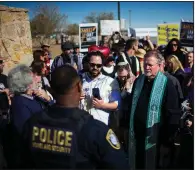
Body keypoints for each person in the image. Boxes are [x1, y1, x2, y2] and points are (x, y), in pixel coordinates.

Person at [19, 64, 129, 169]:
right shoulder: (95, 130)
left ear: (51, 90)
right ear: (79, 86)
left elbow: (22, 161)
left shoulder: (32, 123)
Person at [126, 50, 181, 169]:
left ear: (160, 65)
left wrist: (168, 140)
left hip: (156, 140)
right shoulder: (139, 81)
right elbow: (131, 106)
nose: (146, 67)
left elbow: (173, 114)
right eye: (145, 64)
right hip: (137, 137)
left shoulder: (167, 83)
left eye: (150, 65)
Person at [80, 51, 121, 126]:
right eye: (92, 65)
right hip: (82, 123)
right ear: (88, 64)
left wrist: (102, 105)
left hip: (101, 124)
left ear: (102, 66)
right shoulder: (79, 80)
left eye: (98, 65)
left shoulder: (110, 81)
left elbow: (117, 104)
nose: (95, 68)